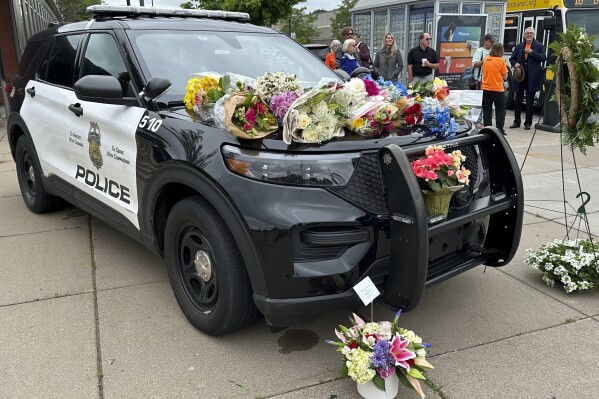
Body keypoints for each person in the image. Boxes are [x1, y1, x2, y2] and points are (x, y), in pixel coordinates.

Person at [509, 27, 546, 130]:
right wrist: (515, 63)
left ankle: (528, 123)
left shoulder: (539, 46)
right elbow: (512, 58)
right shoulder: (519, 46)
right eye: (527, 33)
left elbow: (543, 58)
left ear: (534, 35)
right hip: (520, 78)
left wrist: (531, 52)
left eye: (531, 33)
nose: (529, 35)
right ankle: (516, 122)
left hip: (532, 78)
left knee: (530, 102)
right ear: (524, 35)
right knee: (518, 101)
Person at [481, 42, 508, 135]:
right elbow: (505, 77)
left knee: (487, 110)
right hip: (497, 89)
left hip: (485, 88)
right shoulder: (501, 61)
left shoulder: (486, 59)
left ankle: (488, 129)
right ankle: (499, 130)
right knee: (500, 110)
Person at [471, 34, 495, 128]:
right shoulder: (479, 51)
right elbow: (474, 64)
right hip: (480, 80)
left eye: (493, 42)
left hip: (489, 81)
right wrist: (486, 61)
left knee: (487, 103)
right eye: (491, 42)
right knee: (478, 103)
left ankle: (485, 121)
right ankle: (476, 121)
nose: (492, 44)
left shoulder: (492, 52)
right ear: (485, 41)